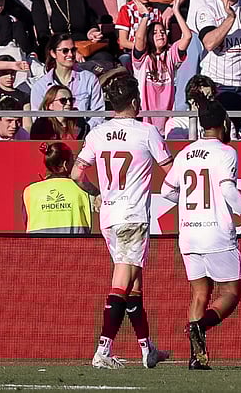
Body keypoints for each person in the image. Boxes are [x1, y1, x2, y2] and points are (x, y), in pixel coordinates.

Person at [71, 75, 172, 369]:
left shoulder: (98, 133)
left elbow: (77, 175)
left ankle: (146, 348)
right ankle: (103, 350)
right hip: (133, 216)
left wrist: (98, 192)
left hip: (110, 217)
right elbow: (171, 172)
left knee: (133, 283)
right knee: (121, 281)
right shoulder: (147, 132)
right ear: (134, 102)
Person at [161, 102, 241, 370]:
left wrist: (188, 204)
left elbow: (167, 191)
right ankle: (199, 327)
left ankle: (197, 357)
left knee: (199, 294)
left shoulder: (185, 153)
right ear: (224, 123)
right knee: (231, 292)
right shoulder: (225, 152)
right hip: (216, 232)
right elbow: (229, 191)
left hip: (189, 233)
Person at [133, 0, 192, 132]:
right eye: (155, 33)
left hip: (167, 120)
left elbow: (187, 36)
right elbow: (139, 37)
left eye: (162, 31)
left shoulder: (171, 54)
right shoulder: (143, 59)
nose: (160, 34)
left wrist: (176, 12)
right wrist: (146, 16)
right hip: (145, 119)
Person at [30, 34, 105, 130]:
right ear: (53, 53)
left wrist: (83, 131)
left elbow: (98, 113)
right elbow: (38, 119)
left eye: (73, 50)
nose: (70, 54)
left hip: (86, 136)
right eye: (65, 51)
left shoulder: (89, 79)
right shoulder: (40, 86)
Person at [25, 142, 92, 235]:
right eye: (73, 161)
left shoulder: (29, 191)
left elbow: (26, 220)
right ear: (65, 164)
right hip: (75, 247)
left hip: (38, 247)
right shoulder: (82, 189)